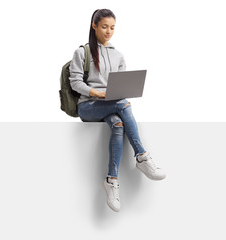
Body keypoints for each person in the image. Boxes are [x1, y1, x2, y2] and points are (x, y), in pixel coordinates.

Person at [69, 9, 166, 212]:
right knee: (123, 104)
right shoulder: (82, 52)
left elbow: (120, 85)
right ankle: (142, 156)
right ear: (94, 25)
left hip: (111, 104)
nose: (109, 31)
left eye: (112, 27)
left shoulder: (118, 55)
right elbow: (75, 83)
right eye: (104, 26)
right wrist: (97, 93)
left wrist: (117, 92)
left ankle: (111, 180)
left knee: (118, 123)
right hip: (88, 106)